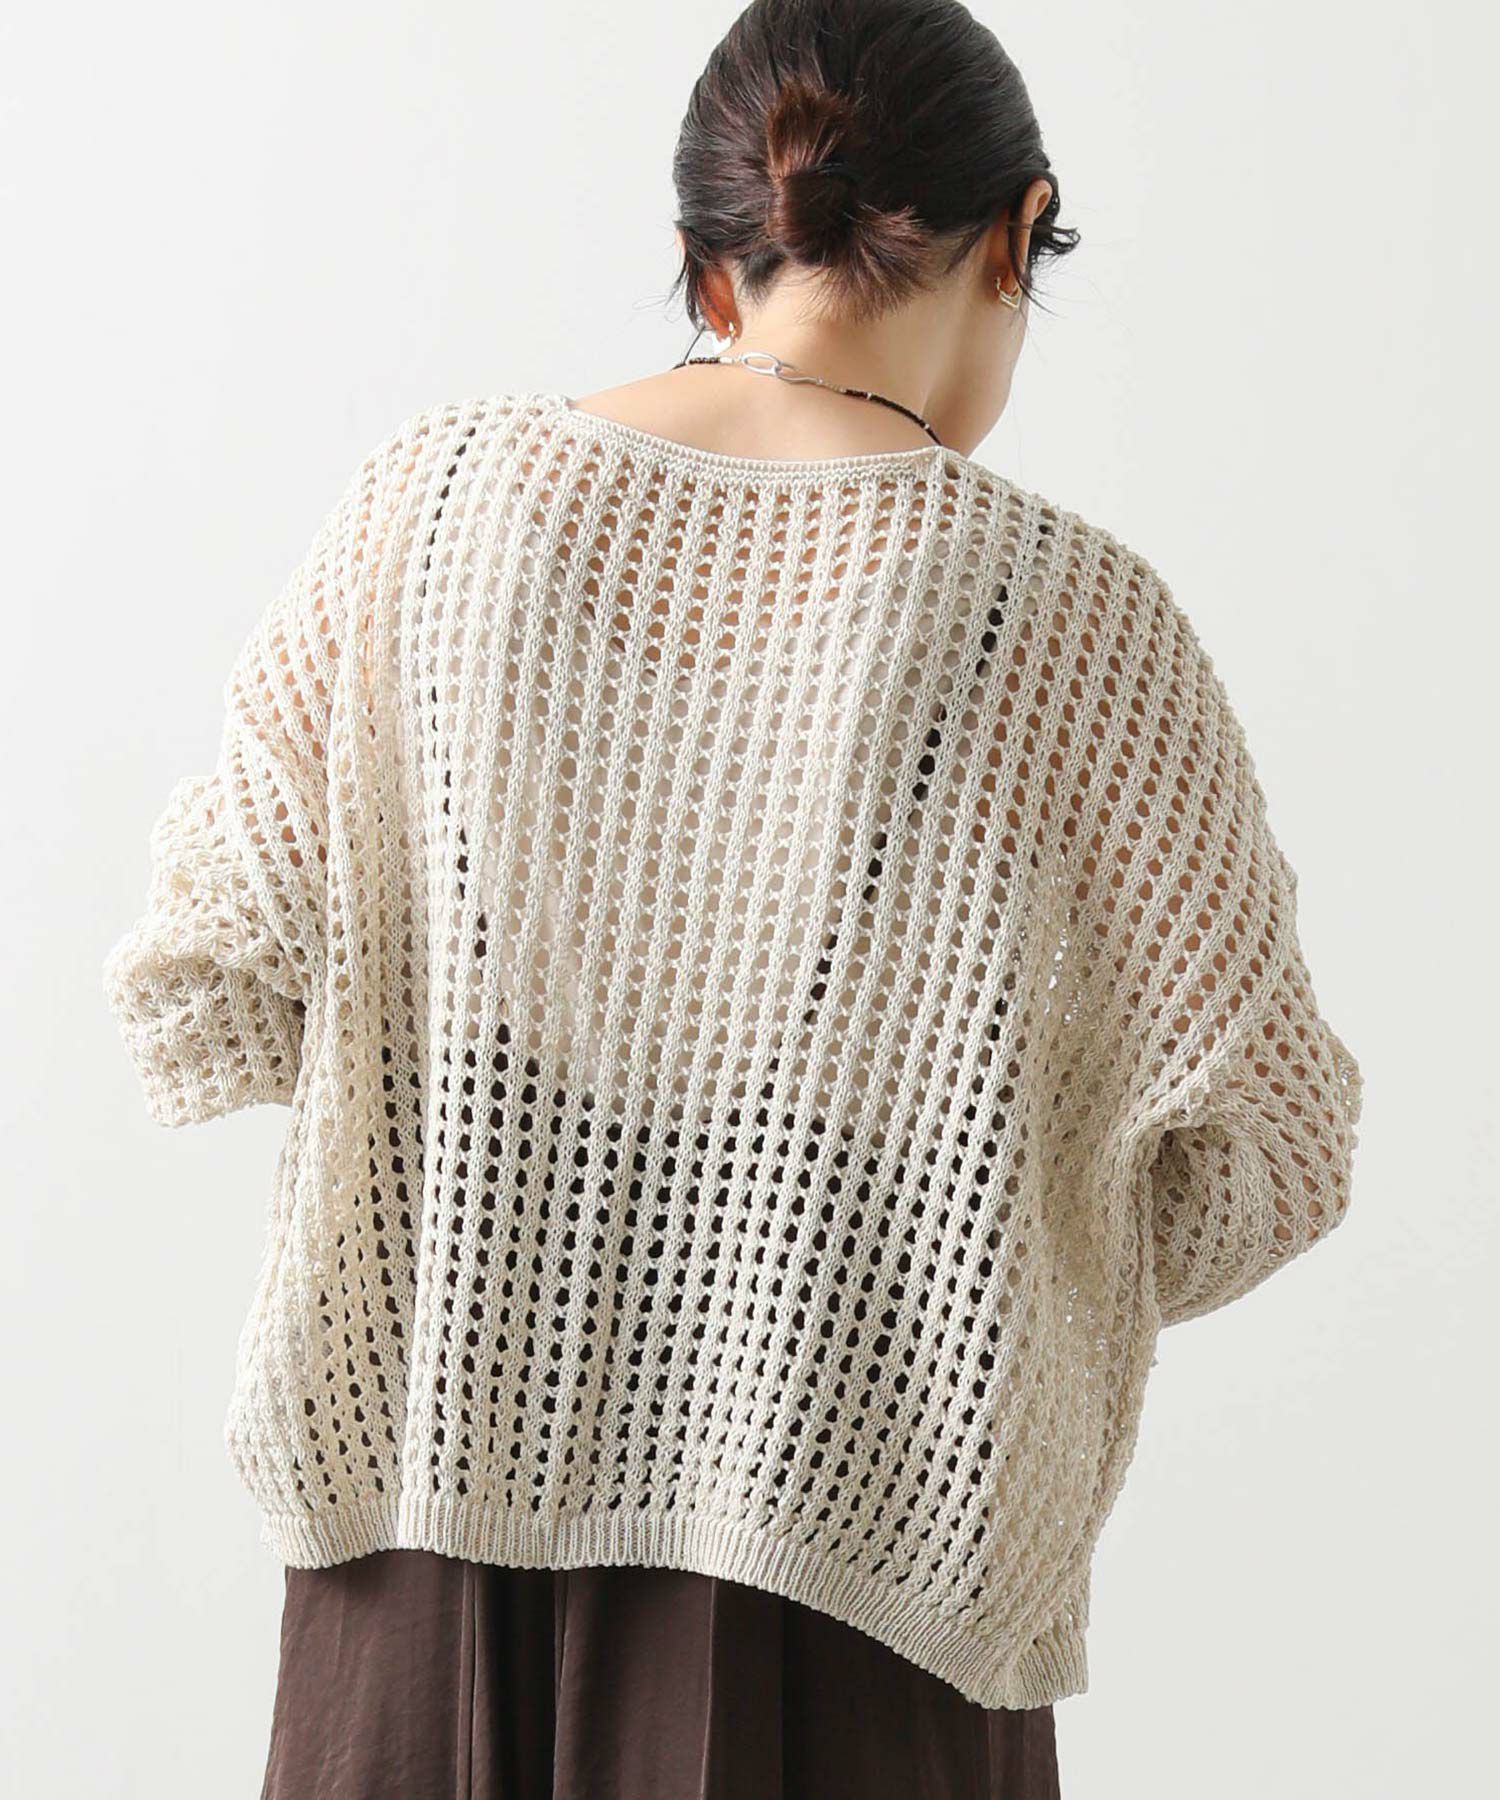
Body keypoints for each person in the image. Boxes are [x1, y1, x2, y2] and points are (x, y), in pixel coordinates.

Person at [101, 2, 1365, 1796]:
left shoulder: (427, 511)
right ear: (1017, 235)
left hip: (420, 1557)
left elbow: (197, 988)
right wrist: (989, 1220)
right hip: (863, 1593)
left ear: (712, 265)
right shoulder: (1076, 624)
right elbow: (1274, 1151)